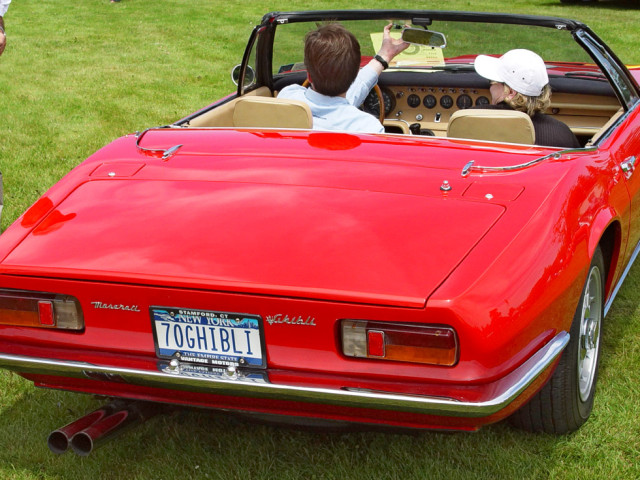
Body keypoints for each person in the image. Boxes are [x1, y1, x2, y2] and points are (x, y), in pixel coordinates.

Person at [278, 23, 408, 133]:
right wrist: (384, 56)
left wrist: (384, 56)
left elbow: (336, 103)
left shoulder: (287, 98)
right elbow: (341, 105)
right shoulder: (368, 127)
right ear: (353, 77)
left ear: (309, 76)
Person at [474, 49, 580, 148]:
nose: (491, 87)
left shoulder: (469, 119)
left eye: (492, 81)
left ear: (510, 92)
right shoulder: (562, 134)